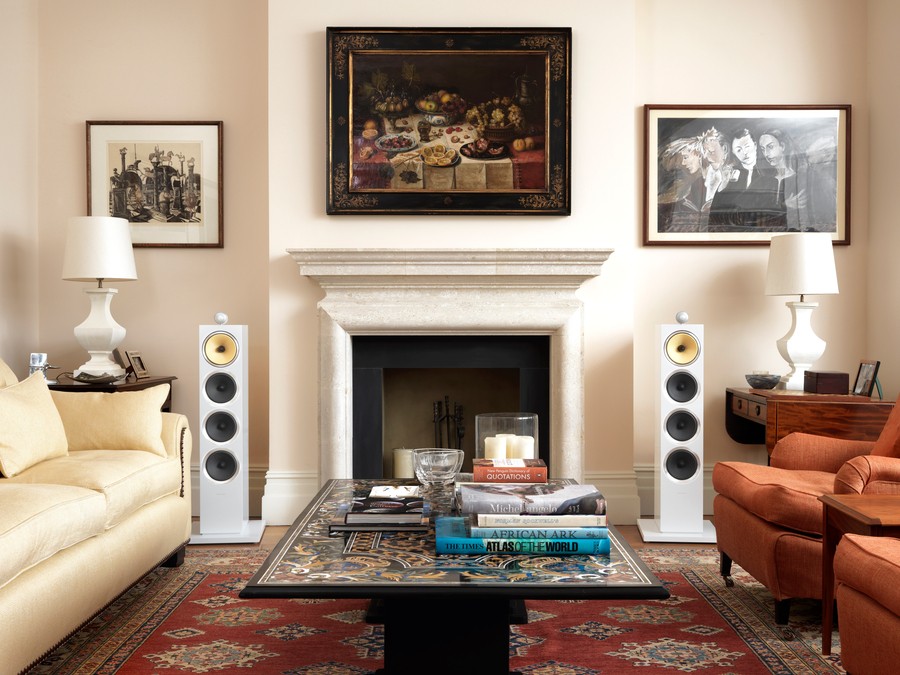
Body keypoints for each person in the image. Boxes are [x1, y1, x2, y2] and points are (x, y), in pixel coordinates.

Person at [708, 128, 781, 230]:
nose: (744, 153)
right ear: (734, 153)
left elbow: (769, 216)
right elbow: (715, 216)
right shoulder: (730, 178)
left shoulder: (771, 176)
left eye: (747, 147)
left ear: (755, 146)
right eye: (739, 150)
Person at [658, 136, 709, 231]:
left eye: (685, 157)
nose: (684, 163)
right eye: (681, 160)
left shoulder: (712, 178)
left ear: (698, 153)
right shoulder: (688, 184)